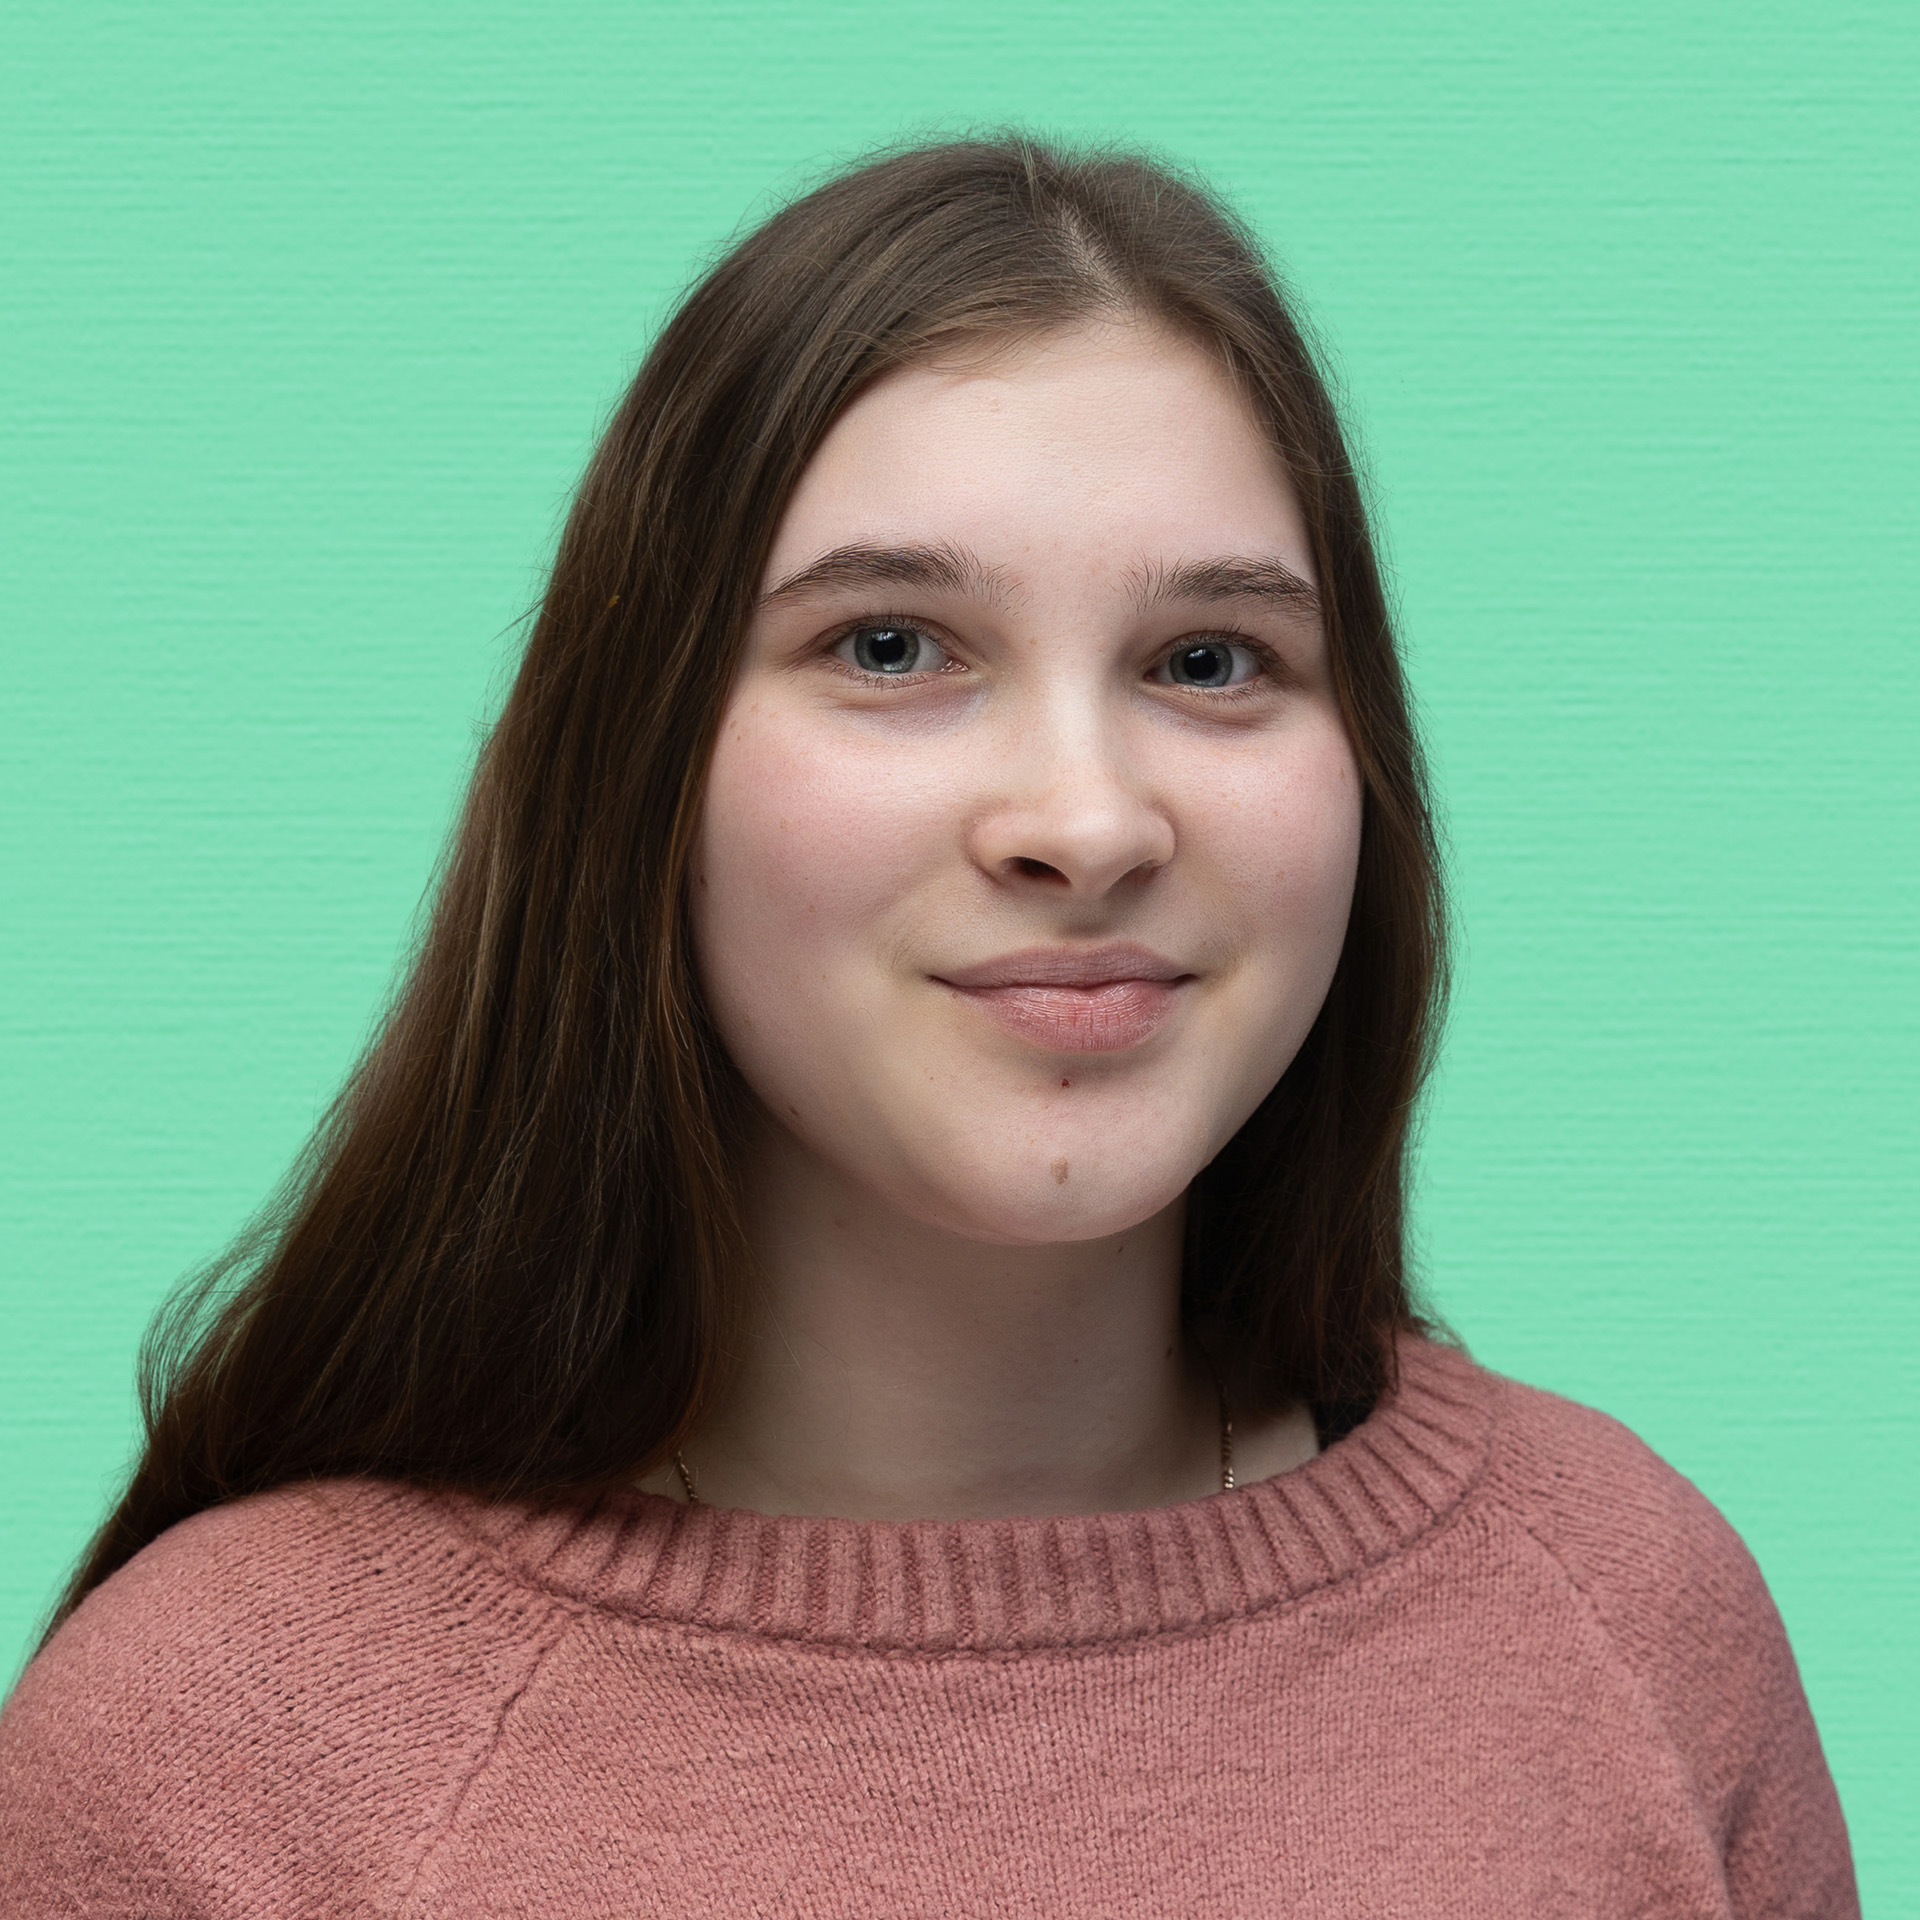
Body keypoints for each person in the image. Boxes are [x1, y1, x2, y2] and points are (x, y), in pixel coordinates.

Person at [0, 136, 1856, 1916]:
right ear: (637, 775)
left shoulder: (1631, 1615)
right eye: (891, 645)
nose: (1089, 821)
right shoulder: (218, 1752)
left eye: (1211, 661)